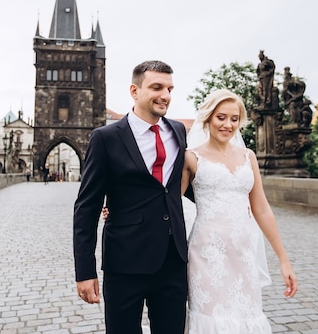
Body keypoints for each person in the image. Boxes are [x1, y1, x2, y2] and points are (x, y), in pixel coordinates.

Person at [73, 60, 189, 333]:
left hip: (173, 258)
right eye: (157, 87)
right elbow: (86, 207)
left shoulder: (178, 131)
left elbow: (182, 185)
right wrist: (85, 271)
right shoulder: (106, 138)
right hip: (125, 261)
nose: (166, 95)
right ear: (134, 91)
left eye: (170, 89)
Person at [183, 89, 297, 333]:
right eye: (221, 117)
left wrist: (284, 261)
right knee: (211, 318)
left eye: (234, 119)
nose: (228, 125)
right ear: (208, 118)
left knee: (246, 315)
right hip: (206, 254)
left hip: (244, 252)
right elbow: (167, 202)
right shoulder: (191, 158)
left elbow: (262, 209)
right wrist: (117, 208)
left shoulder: (249, 157)